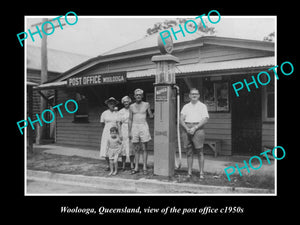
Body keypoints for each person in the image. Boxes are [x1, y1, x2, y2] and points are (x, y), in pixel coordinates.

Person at [180, 88, 209, 179]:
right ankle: (189, 172)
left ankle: (201, 173)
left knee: (200, 151)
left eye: (196, 94)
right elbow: (181, 119)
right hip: (187, 129)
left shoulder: (202, 106)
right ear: (189, 96)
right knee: (189, 152)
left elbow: (205, 119)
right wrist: (187, 128)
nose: (194, 95)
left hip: (198, 128)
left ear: (199, 95)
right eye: (192, 94)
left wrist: (195, 128)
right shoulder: (186, 106)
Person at [128, 89, 154, 175]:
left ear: (142, 96)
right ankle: (136, 167)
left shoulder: (146, 104)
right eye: (137, 95)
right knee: (136, 148)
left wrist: (153, 113)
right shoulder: (131, 106)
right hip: (135, 126)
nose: (138, 96)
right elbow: (130, 119)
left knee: (144, 147)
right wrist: (129, 131)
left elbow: (150, 116)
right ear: (134, 96)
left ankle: (144, 167)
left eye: (140, 95)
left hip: (143, 126)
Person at [99, 97, 120, 171]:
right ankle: (109, 164)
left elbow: (119, 123)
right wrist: (106, 130)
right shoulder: (104, 113)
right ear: (108, 104)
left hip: (115, 132)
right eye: (110, 103)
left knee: (114, 147)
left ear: (115, 104)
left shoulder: (117, 113)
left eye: (113, 103)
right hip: (106, 132)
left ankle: (115, 164)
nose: (112, 104)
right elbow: (102, 123)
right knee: (106, 147)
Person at [118, 96, 135, 171]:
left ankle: (132, 164)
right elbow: (118, 123)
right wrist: (120, 133)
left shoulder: (132, 110)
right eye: (124, 102)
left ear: (129, 102)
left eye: (127, 101)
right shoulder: (121, 111)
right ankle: (123, 165)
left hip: (132, 128)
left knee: (131, 147)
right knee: (123, 147)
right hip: (123, 129)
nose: (126, 103)